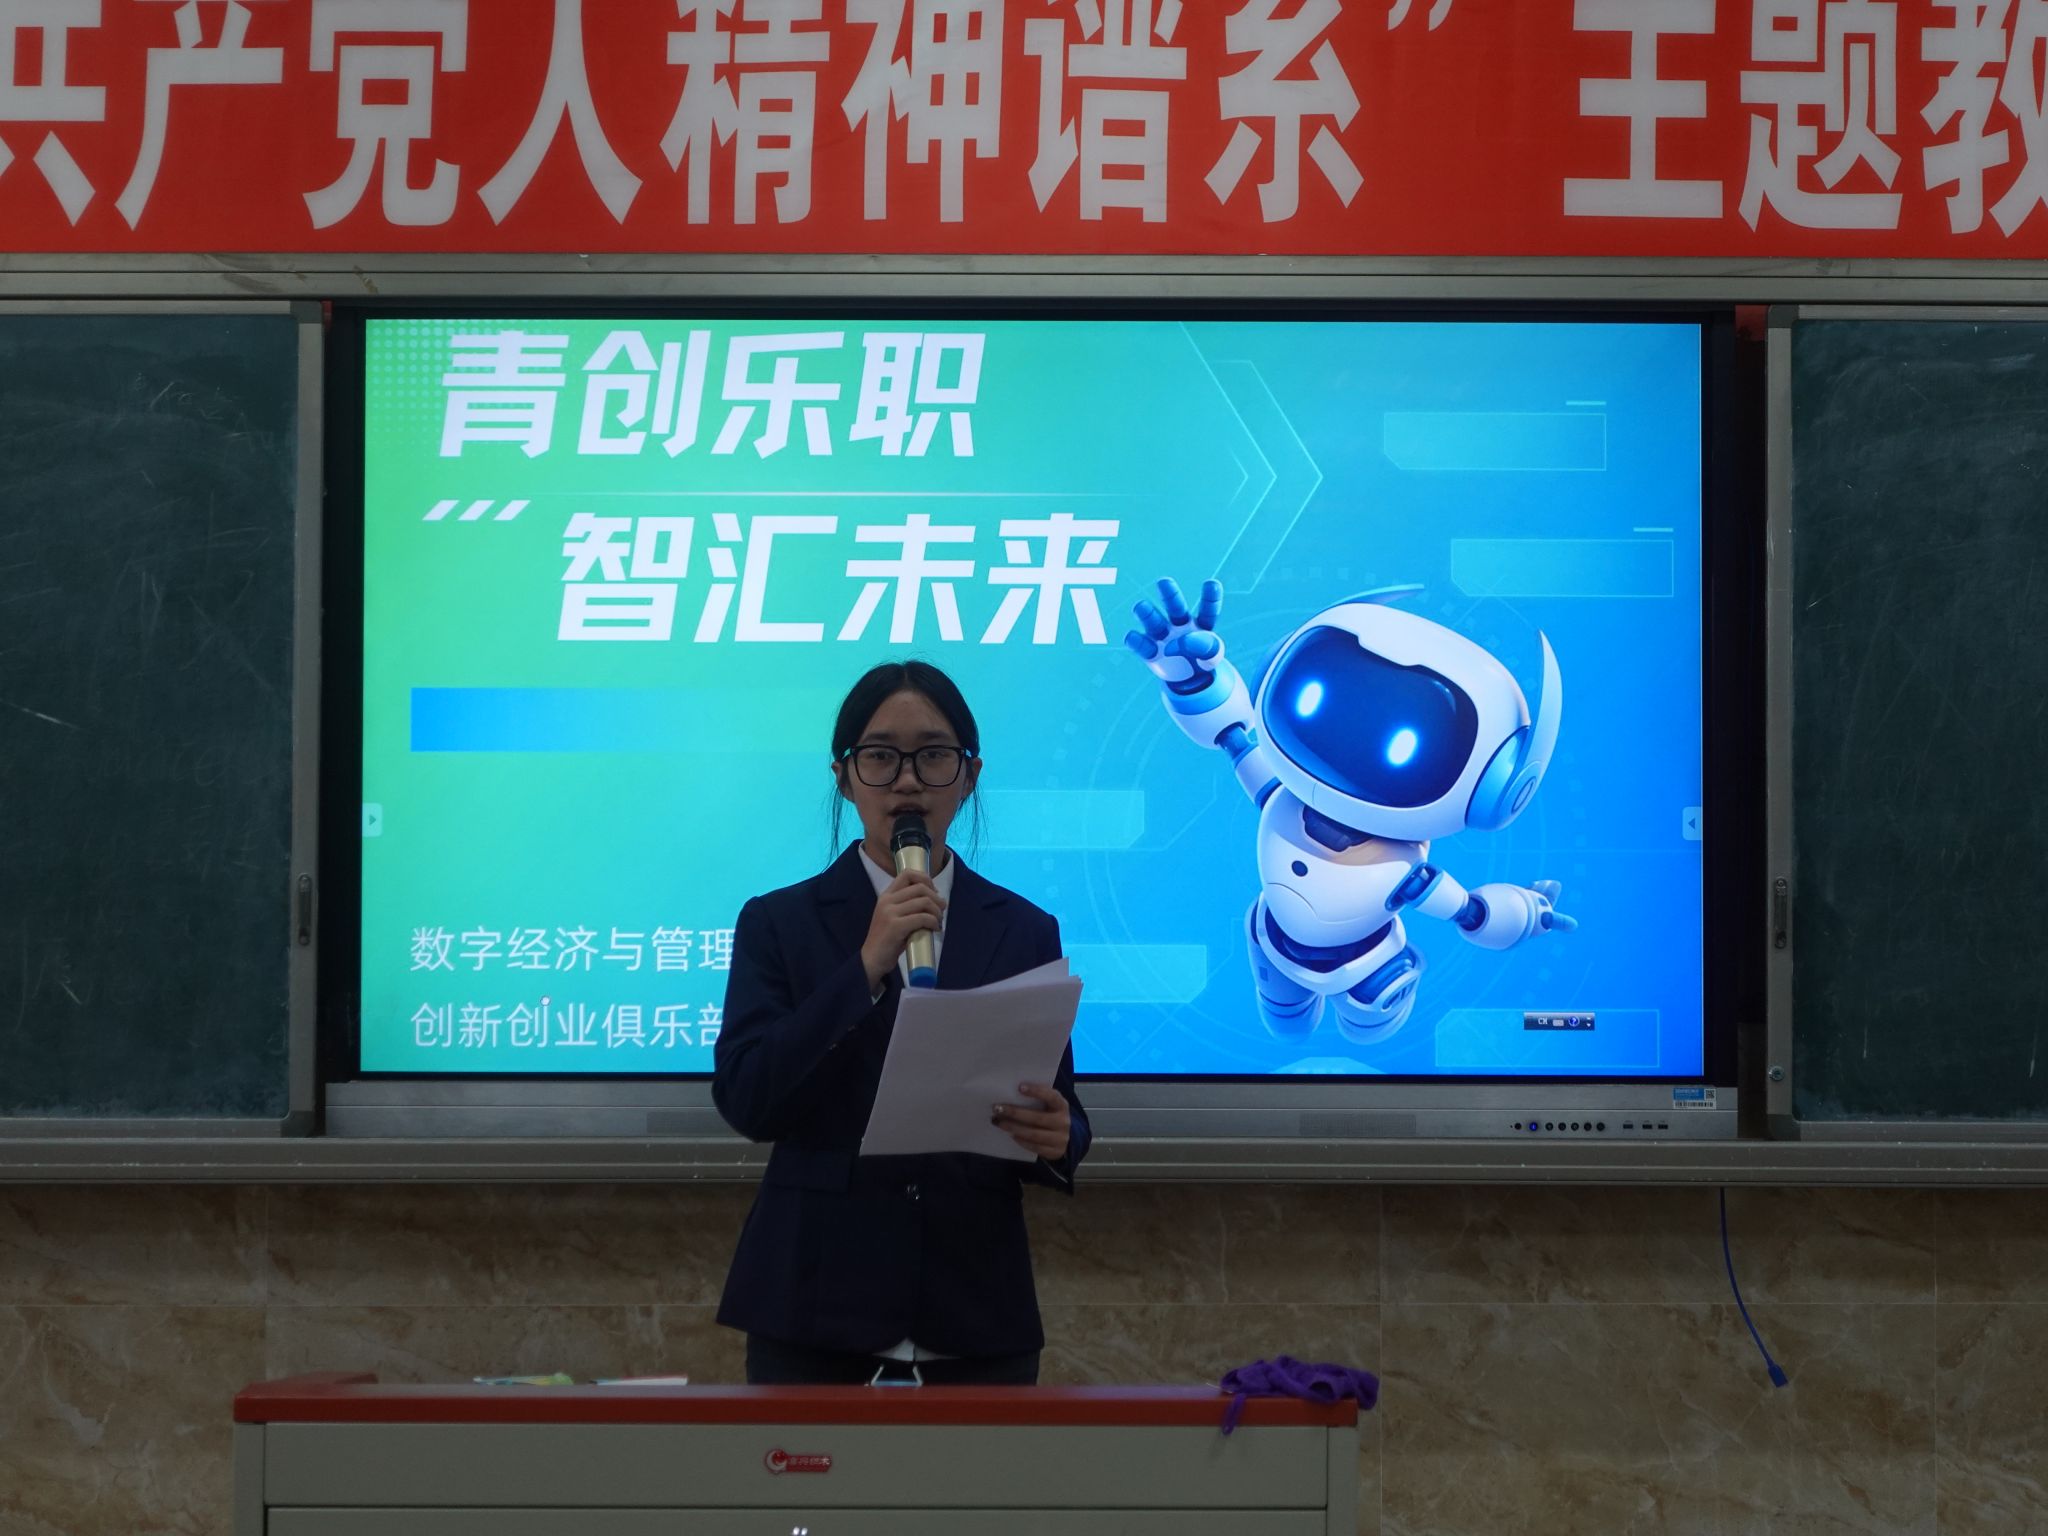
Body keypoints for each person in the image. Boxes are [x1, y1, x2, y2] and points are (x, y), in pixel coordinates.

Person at [713, 660, 1090, 1385]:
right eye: (881, 757)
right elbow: (747, 1097)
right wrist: (864, 966)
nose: (908, 781)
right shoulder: (779, 923)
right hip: (815, 1308)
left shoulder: (1023, 929)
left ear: (969, 775)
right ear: (844, 777)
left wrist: (1059, 1135)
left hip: (976, 1311)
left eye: (934, 756)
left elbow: (1063, 1108)